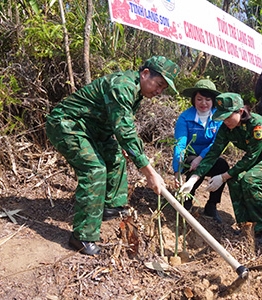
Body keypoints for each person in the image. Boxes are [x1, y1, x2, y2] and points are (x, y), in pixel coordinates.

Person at [46, 56, 180, 255]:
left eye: (163, 88)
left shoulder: (135, 91)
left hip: (95, 130)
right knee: (94, 170)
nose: (159, 91)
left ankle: (111, 206)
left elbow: (121, 125)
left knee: (117, 156)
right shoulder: (122, 86)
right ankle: (82, 236)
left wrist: (127, 145)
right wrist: (149, 173)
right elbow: (125, 131)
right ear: (145, 74)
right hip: (67, 124)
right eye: (159, 84)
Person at [180, 93, 262, 240]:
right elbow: (213, 153)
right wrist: (193, 179)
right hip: (259, 156)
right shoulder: (226, 128)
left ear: (240, 111)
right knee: (234, 179)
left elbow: (250, 157)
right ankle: (245, 225)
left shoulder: (257, 125)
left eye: (228, 117)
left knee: (250, 180)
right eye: (222, 117)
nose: (225, 121)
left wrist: (223, 176)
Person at [173, 79, 229, 223]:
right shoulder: (185, 117)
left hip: (210, 156)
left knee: (222, 165)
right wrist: (177, 170)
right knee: (192, 162)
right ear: (193, 100)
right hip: (191, 157)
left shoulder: (219, 118)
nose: (203, 103)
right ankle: (186, 199)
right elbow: (180, 144)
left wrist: (202, 157)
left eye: (207, 100)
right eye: (199, 99)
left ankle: (211, 206)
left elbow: (217, 143)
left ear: (213, 101)